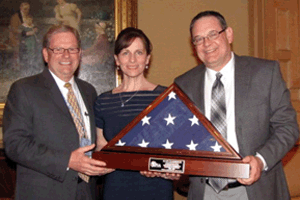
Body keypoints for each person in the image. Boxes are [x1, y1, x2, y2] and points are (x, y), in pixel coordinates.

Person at [174, 10, 299, 200]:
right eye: (198, 39)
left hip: (257, 190)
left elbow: (288, 127)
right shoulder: (184, 84)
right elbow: (178, 137)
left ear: (229, 34)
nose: (206, 44)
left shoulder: (265, 73)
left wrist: (261, 160)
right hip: (205, 191)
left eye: (213, 34)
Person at [3, 24, 113, 200]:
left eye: (72, 49)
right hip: (44, 193)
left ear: (80, 54)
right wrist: (67, 161)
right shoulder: (24, 89)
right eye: (58, 49)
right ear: (46, 54)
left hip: (86, 192)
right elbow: (15, 145)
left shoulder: (89, 91)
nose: (66, 55)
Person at [94, 27, 177, 200]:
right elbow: (101, 147)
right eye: (125, 53)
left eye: (138, 52)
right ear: (117, 59)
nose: (132, 59)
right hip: (116, 189)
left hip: (156, 188)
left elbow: (177, 153)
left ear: (147, 58)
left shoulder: (165, 97)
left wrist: (166, 170)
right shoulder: (103, 101)